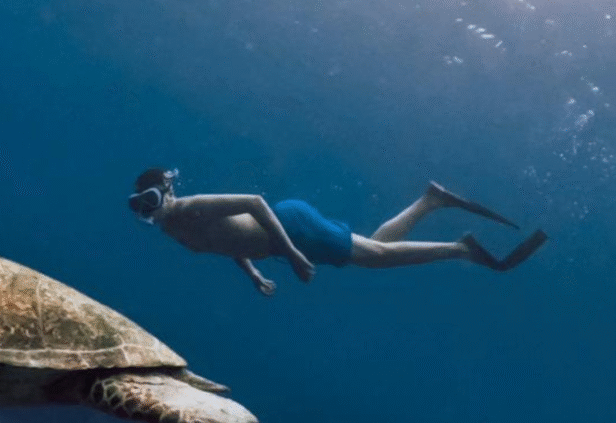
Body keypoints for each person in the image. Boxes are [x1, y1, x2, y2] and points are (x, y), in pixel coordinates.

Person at [127, 168, 548, 296]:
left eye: (152, 198)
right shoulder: (173, 230)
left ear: (167, 191)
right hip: (285, 241)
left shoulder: (193, 207)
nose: (150, 209)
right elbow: (227, 242)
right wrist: (253, 274)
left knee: (375, 259)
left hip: (292, 228)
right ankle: (431, 200)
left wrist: (293, 254)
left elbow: (254, 203)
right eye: (140, 205)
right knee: (375, 248)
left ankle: (462, 248)